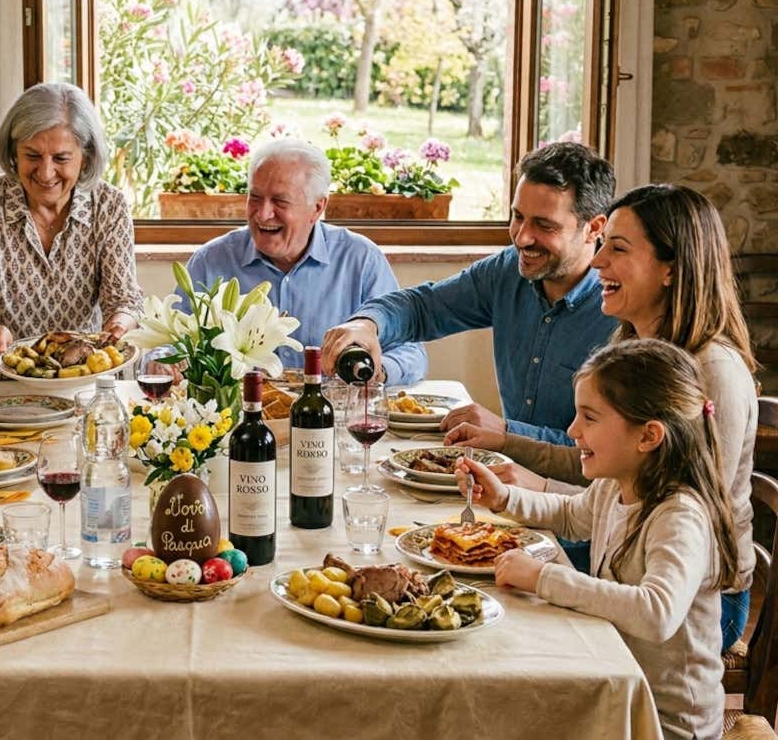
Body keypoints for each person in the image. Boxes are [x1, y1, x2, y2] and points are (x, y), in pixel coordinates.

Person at [446, 183, 758, 651]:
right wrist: (508, 451)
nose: (596, 262)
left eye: (617, 248)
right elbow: (604, 475)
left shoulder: (713, 371)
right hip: (625, 562)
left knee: (505, 607)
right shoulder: (631, 348)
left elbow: (688, 521)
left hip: (696, 605)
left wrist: (537, 489)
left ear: (671, 269)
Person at [457, 339, 738, 740]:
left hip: (663, 723)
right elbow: (571, 516)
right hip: (615, 681)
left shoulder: (680, 515)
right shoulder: (618, 484)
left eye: (589, 418)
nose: (572, 430)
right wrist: (505, 498)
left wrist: (543, 579)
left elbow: (656, 613)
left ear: (648, 436)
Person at [322, 142, 617, 444]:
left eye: (544, 225)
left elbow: (610, 451)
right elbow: (423, 308)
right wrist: (368, 324)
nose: (522, 237)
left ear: (594, 228)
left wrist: (506, 432)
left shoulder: (620, 313)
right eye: (517, 217)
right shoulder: (506, 271)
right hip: (507, 472)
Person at [182, 138, 426, 382]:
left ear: (317, 208)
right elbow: (172, 345)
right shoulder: (210, 262)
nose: (263, 213)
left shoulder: (361, 260)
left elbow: (410, 353)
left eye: (280, 201)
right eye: (255, 197)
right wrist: (162, 364)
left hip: (332, 417)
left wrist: (376, 371)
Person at [0, 82, 143, 390]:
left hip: (84, 383)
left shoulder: (109, 204)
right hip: (2, 385)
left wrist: (119, 324)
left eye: (61, 158)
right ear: (13, 152)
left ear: (86, 157)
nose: (46, 171)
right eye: (33, 155)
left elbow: (125, 299)